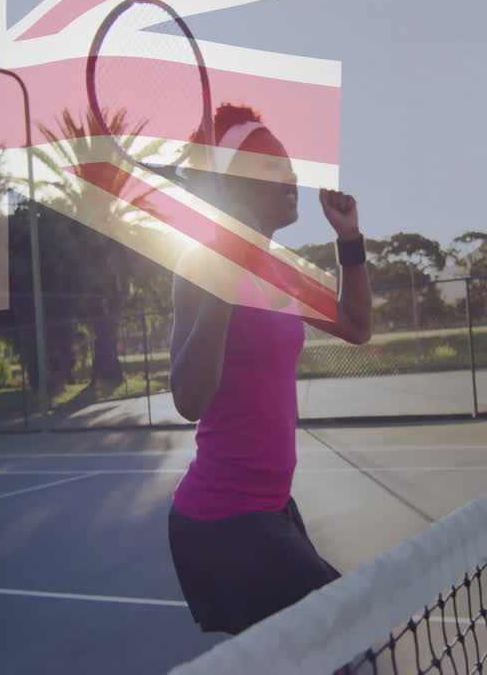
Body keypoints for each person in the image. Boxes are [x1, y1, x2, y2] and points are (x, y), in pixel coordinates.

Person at [167, 103, 372, 636]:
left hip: (275, 508)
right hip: (222, 521)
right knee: (346, 635)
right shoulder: (199, 265)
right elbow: (189, 399)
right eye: (272, 164)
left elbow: (356, 325)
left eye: (289, 163)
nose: (292, 175)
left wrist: (350, 240)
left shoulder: (280, 273)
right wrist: (223, 274)